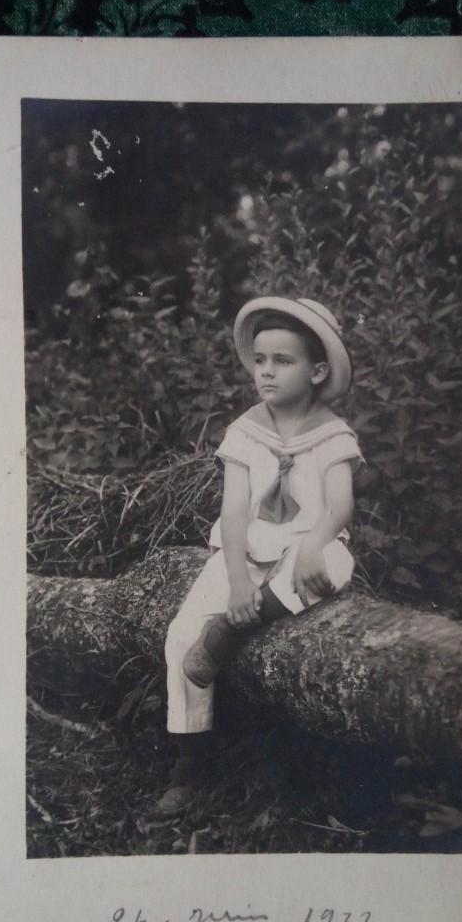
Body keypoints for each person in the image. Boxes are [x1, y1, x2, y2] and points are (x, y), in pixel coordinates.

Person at [158, 296, 363, 814]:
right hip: (247, 552)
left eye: (283, 361)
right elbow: (232, 513)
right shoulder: (246, 432)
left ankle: (236, 628)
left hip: (302, 549)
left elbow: (340, 506)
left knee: (336, 564)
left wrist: (316, 542)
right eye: (260, 360)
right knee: (182, 635)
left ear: (317, 371)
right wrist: (238, 579)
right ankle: (189, 761)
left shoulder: (332, 435)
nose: (266, 372)